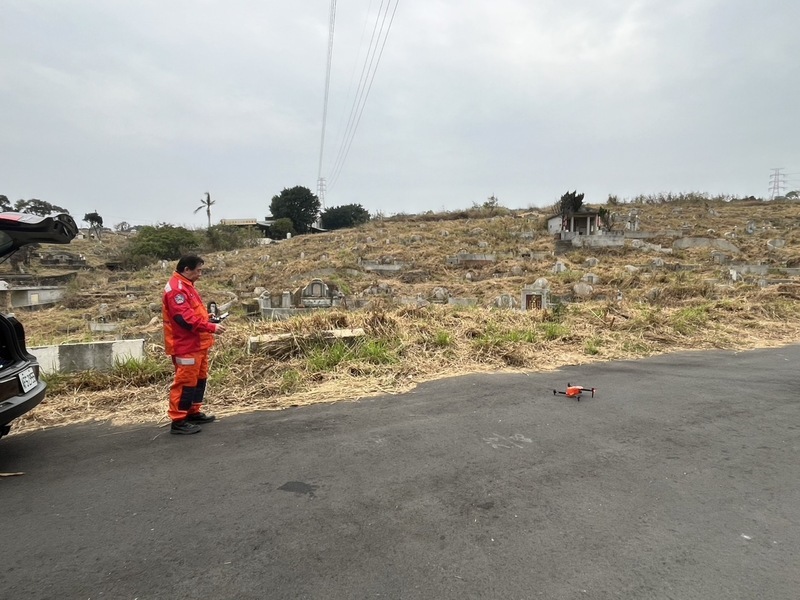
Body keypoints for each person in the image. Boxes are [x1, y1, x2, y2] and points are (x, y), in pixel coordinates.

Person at [162, 255, 226, 434]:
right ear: (186, 269)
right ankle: (178, 420)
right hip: (185, 345)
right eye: (198, 270)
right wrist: (210, 326)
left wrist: (208, 318)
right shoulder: (176, 290)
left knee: (199, 379)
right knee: (185, 382)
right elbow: (184, 319)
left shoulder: (186, 286)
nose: (200, 274)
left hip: (197, 343)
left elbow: (193, 314)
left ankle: (192, 411)